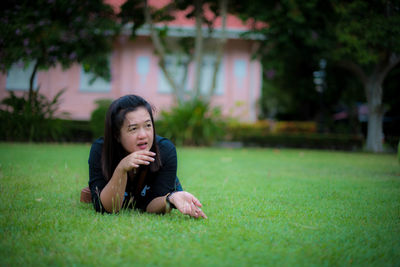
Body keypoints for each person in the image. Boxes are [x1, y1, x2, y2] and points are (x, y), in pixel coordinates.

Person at [88, 94, 207, 219]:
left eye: (148, 125)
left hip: (154, 191)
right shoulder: (100, 150)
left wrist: (170, 199)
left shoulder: (165, 150)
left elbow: (150, 205)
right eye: (133, 128)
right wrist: (121, 169)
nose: (143, 135)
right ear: (116, 134)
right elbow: (108, 209)